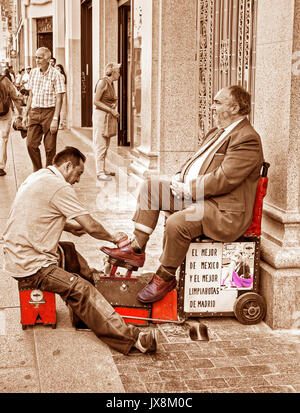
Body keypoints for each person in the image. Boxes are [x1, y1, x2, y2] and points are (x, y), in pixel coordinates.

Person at [101, 85, 264, 303]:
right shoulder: (217, 132)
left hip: (222, 209)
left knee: (179, 222)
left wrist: (189, 189)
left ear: (234, 107)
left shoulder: (247, 138)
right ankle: (137, 248)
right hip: (200, 197)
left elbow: (225, 178)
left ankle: (165, 277)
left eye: (218, 102)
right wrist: (179, 177)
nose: (212, 107)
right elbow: (194, 161)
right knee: (152, 188)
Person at [2, 146, 158, 354]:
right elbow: (92, 226)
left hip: (15, 253)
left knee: (68, 250)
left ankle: (94, 289)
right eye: (79, 173)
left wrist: (67, 226)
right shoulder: (58, 186)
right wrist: (113, 238)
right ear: (67, 166)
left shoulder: (40, 176)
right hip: (32, 266)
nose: (78, 180)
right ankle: (133, 339)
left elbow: (35, 214)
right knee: (80, 289)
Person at [24, 47, 65, 171]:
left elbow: (59, 98)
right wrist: (26, 113)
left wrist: (55, 119)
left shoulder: (56, 75)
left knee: (50, 148)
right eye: (36, 57)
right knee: (30, 144)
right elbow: (31, 95)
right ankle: (38, 170)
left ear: (48, 59)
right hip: (35, 111)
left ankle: (49, 172)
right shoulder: (33, 73)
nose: (37, 60)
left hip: (50, 112)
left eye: (40, 57)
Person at [93, 62, 121, 182]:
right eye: (118, 72)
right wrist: (111, 109)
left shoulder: (111, 84)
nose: (119, 74)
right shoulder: (102, 82)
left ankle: (102, 169)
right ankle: (99, 172)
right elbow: (96, 101)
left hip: (108, 116)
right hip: (101, 116)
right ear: (113, 72)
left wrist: (113, 105)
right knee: (101, 144)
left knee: (106, 143)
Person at [0, 73, 23, 176]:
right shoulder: (5, 80)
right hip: (4, 112)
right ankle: (0, 166)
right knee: (3, 139)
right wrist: (20, 113)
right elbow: (14, 96)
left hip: (4, 112)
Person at [55, 64, 67, 129]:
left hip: (62, 94)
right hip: (57, 94)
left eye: (58, 68)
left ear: (61, 69)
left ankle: (61, 123)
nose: (57, 70)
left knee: (61, 109)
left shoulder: (62, 76)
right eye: (56, 68)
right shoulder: (56, 76)